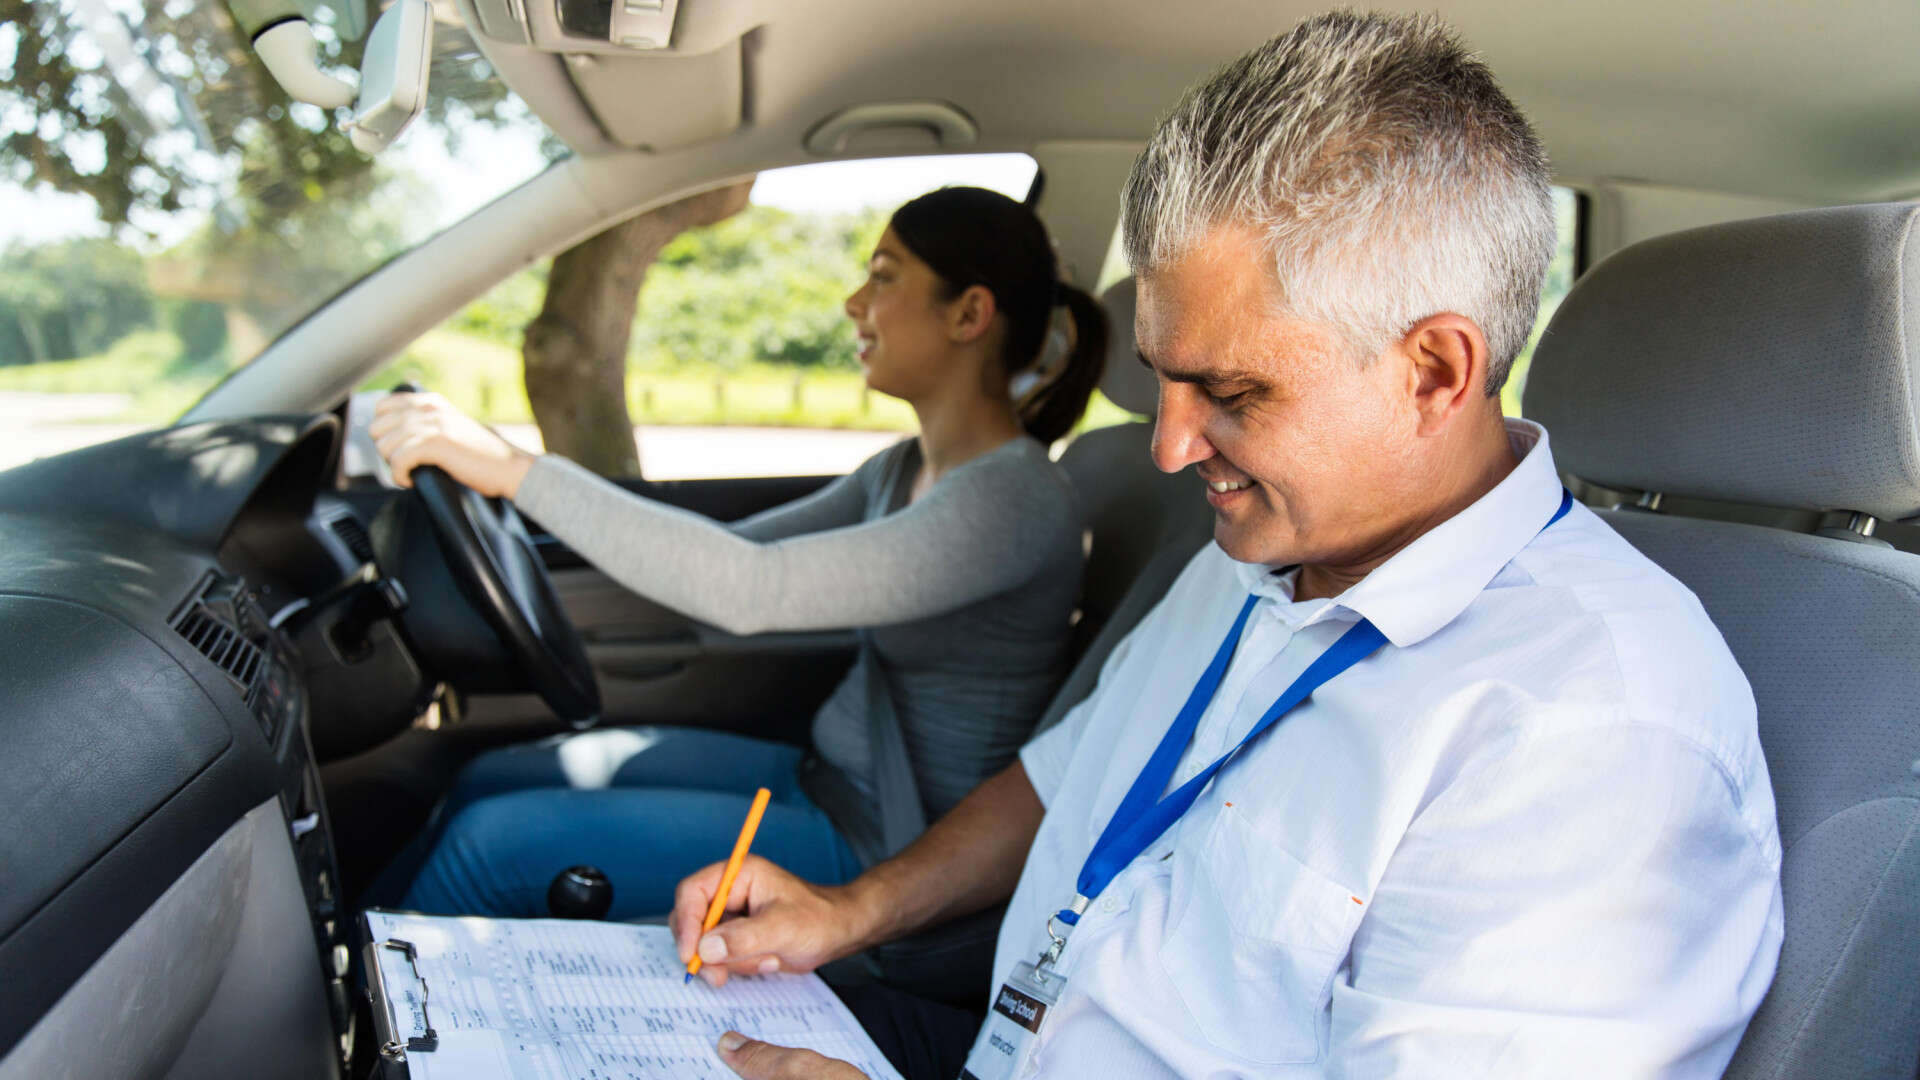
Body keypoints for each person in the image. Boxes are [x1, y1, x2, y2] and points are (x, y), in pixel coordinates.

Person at [667, 13, 1784, 1080]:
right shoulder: (1257, 552)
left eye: (1233, 391)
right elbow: (1066, 779)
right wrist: (846, 912)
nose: (1169, 449)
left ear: (1434, 373)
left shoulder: (1590, 736)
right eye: (1163, 378)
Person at [368, 186, 1108, 919]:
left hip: (888, 850)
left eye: (884, 276)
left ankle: (351, 1026)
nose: (855, 301)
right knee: (488, 779)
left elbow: (752, 591)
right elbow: (727, 555)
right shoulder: (900, 468)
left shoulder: (1010, 501)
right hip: (818, 778)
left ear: (970, 314)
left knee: (489, 847)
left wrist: (513, 470)